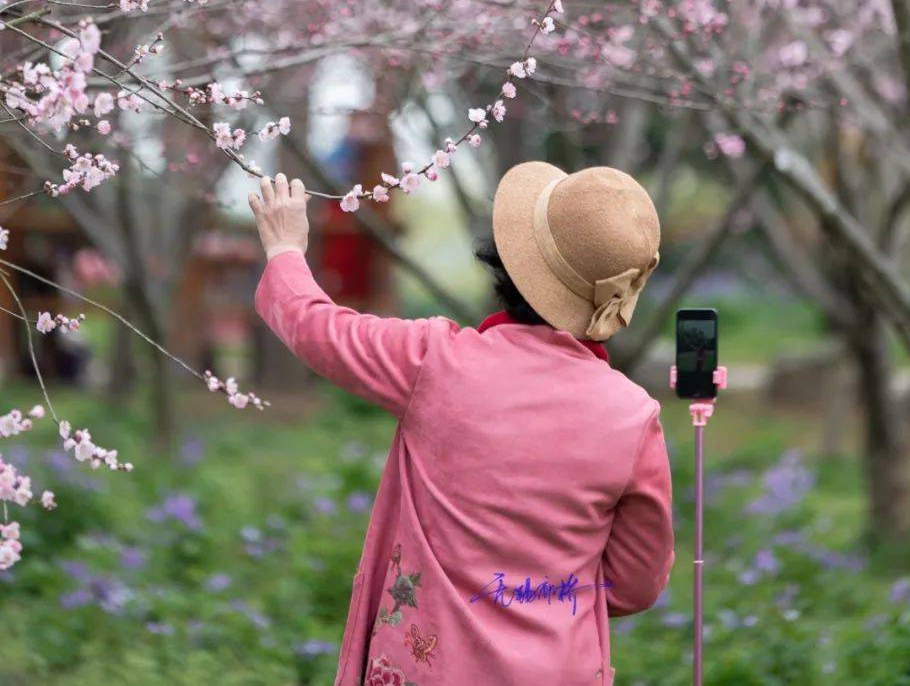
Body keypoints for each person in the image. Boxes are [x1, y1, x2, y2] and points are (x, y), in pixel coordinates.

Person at [250, 160, 674, 686]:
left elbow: (317, 329)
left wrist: (285, 247)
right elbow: (634, 585)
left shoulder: (434, 362)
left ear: (509, 262)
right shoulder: (633, 416)